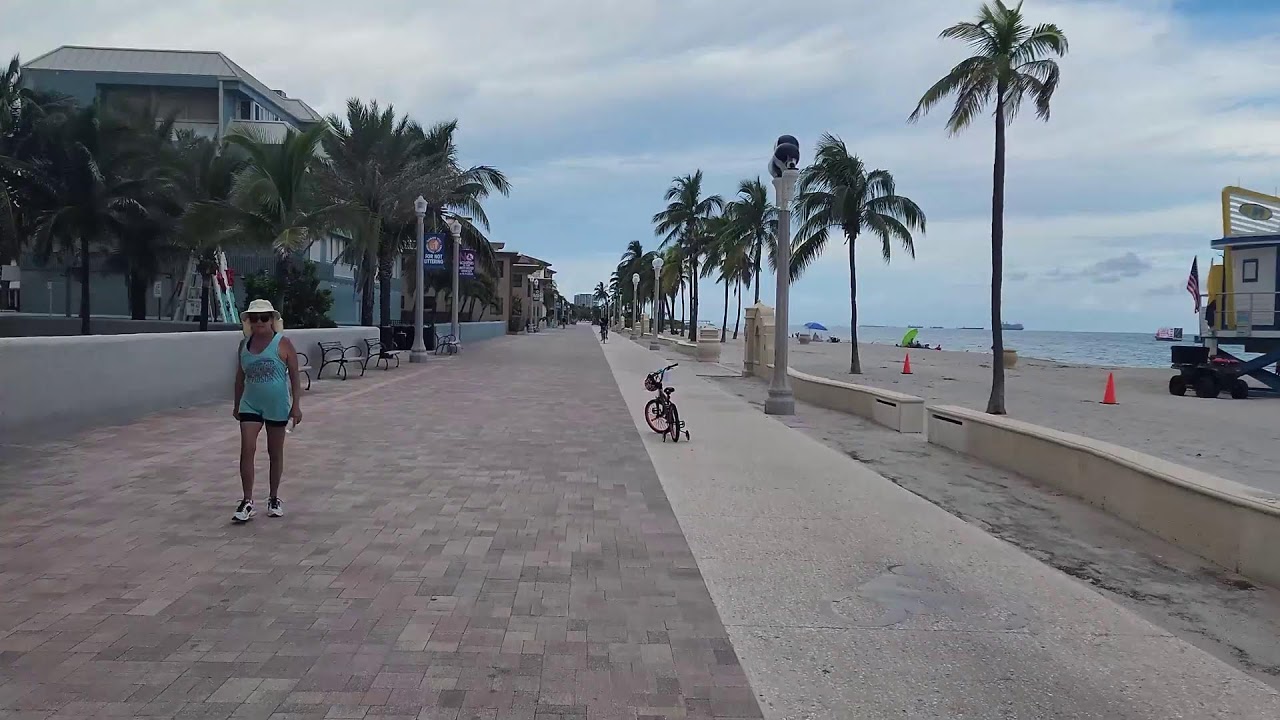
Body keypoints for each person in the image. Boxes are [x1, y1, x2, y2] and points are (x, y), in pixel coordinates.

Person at [232, 299, 303, 523]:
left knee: (275, 452)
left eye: (264, 317)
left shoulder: (283, 343)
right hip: (250, 403)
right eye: (255, 318)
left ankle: (273, 497)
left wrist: (296, 406)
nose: (259, 322)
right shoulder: (244, 345)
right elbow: (240, 376)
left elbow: (294, 375)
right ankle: (247, 500)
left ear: (272, 319)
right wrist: (236, 404)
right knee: (247, 449)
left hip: (277, 405)